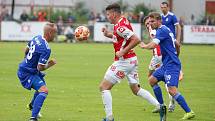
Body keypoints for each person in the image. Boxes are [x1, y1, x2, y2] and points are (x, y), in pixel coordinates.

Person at [99, 3, 165, 121]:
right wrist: (108, 34)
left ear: (114, 14)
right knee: (136, 90)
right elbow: (121, 38)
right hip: (132, 60)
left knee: (104, 87)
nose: (107, 16)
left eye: (108, 14)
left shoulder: (119, 26)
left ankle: (109, 118)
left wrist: (123, 52)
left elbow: (136, 39)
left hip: (124, 61)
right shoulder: (122, 21)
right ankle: (160, 106)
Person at [140, 12, 195, 120]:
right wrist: (176, 56)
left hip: (171, 65)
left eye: (152, 21)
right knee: (152, 80)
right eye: (149, 22)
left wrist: (144, 46)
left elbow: (153, 45)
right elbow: (177, 45)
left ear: (159, 21)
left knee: (172, 90)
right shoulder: (166, 29)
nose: (150, 24)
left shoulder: (161, 31)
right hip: (167, 63)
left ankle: (189, 111)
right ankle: (162, 106)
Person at [17, 23, 57, 121]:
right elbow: (40, 68)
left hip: (25, 68)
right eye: (55, 33)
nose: (56, 35)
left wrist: (27, 62)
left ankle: (32, 105)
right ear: (50, 33)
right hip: (27, 73)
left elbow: (26, 50)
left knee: (42, 85)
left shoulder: (37, 38)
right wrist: (49, 65)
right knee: (44, 91)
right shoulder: (46, 48)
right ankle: (33, 118)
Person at [160, 1, 183, 112]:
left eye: (164, 7)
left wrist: (177, 40)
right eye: (161, 7)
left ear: (168, 7)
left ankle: (171, 101)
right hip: (163, 47)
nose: (163, 9)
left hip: (171, 45)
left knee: (169, 67)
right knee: (155, 76)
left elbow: (178, 27)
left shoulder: (172, 16)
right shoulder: (159, 17)